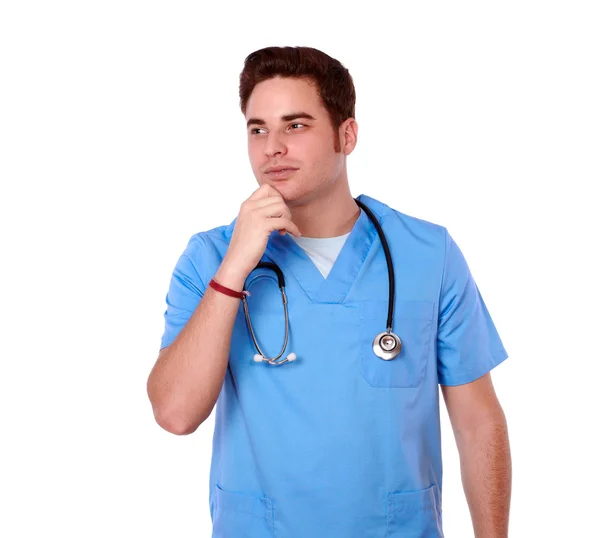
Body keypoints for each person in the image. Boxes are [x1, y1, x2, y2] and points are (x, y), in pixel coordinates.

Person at [146, 46, 512, 538]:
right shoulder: (209, 258)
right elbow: (174, 414)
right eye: (258, 129)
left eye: (295, 125)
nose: (272, 146)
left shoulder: (428, 254)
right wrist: (234, 267)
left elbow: (477, 421)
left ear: (347, 134)